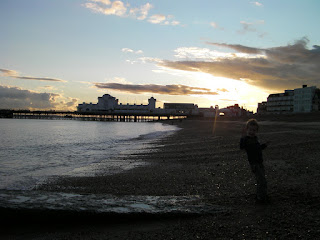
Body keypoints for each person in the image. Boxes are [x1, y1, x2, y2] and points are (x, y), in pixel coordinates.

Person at [240, 119, 269, 204]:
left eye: (254, 130)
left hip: (260, 162)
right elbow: (242, 147)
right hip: (254, 163)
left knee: (262, 180)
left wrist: (264, 145)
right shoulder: (246, 139)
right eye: (250, 130)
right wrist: (242, 137)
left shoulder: (255, 139)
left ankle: (261, 195)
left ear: (256, 131)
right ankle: (260, 198)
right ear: (247, 129)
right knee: (261, 180)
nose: (252, 132)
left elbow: (258, 148)